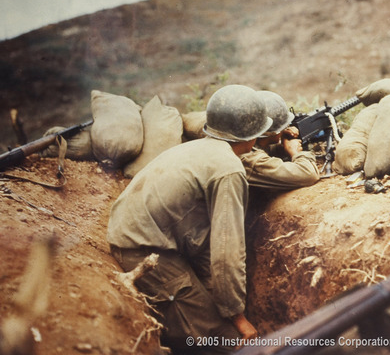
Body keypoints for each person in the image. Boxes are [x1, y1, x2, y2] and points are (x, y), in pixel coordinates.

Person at [106, 85, 271, 354]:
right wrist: (238, 318)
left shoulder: (199, 148)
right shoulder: (228, 170)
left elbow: (206, 242)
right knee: (227, 342)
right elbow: (227, 254)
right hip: (143, 249)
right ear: (252, 135)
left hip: (142, 232)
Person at [240, 91, 320, 190]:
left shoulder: (245, 143)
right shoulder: (252, 160)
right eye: (284, 125)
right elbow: (309, 174)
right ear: (274, 131)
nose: (286, 127)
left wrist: (282, 145)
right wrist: (295, 152)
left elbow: (264, 149)